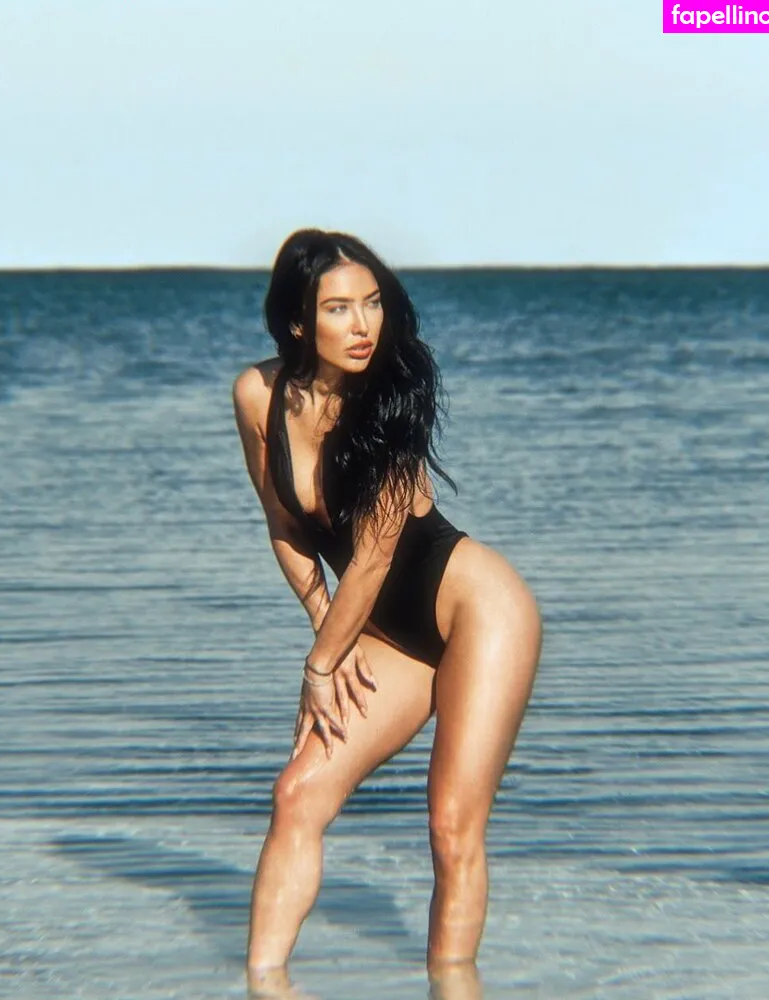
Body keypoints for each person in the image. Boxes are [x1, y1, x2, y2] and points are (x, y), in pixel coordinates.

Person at [232, 229, 542, 995]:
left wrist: (322, 666)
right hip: (378, 632)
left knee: (452, 828)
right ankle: (261, 986)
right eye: (339, 308)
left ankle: (452, 988)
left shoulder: (394, 400)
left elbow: (370, 562)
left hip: (476, 611)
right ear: (298, 320)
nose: (363, 324)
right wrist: (323, 629)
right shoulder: (257, 395)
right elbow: (283, 525)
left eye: (372, 303)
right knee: (297, 794)